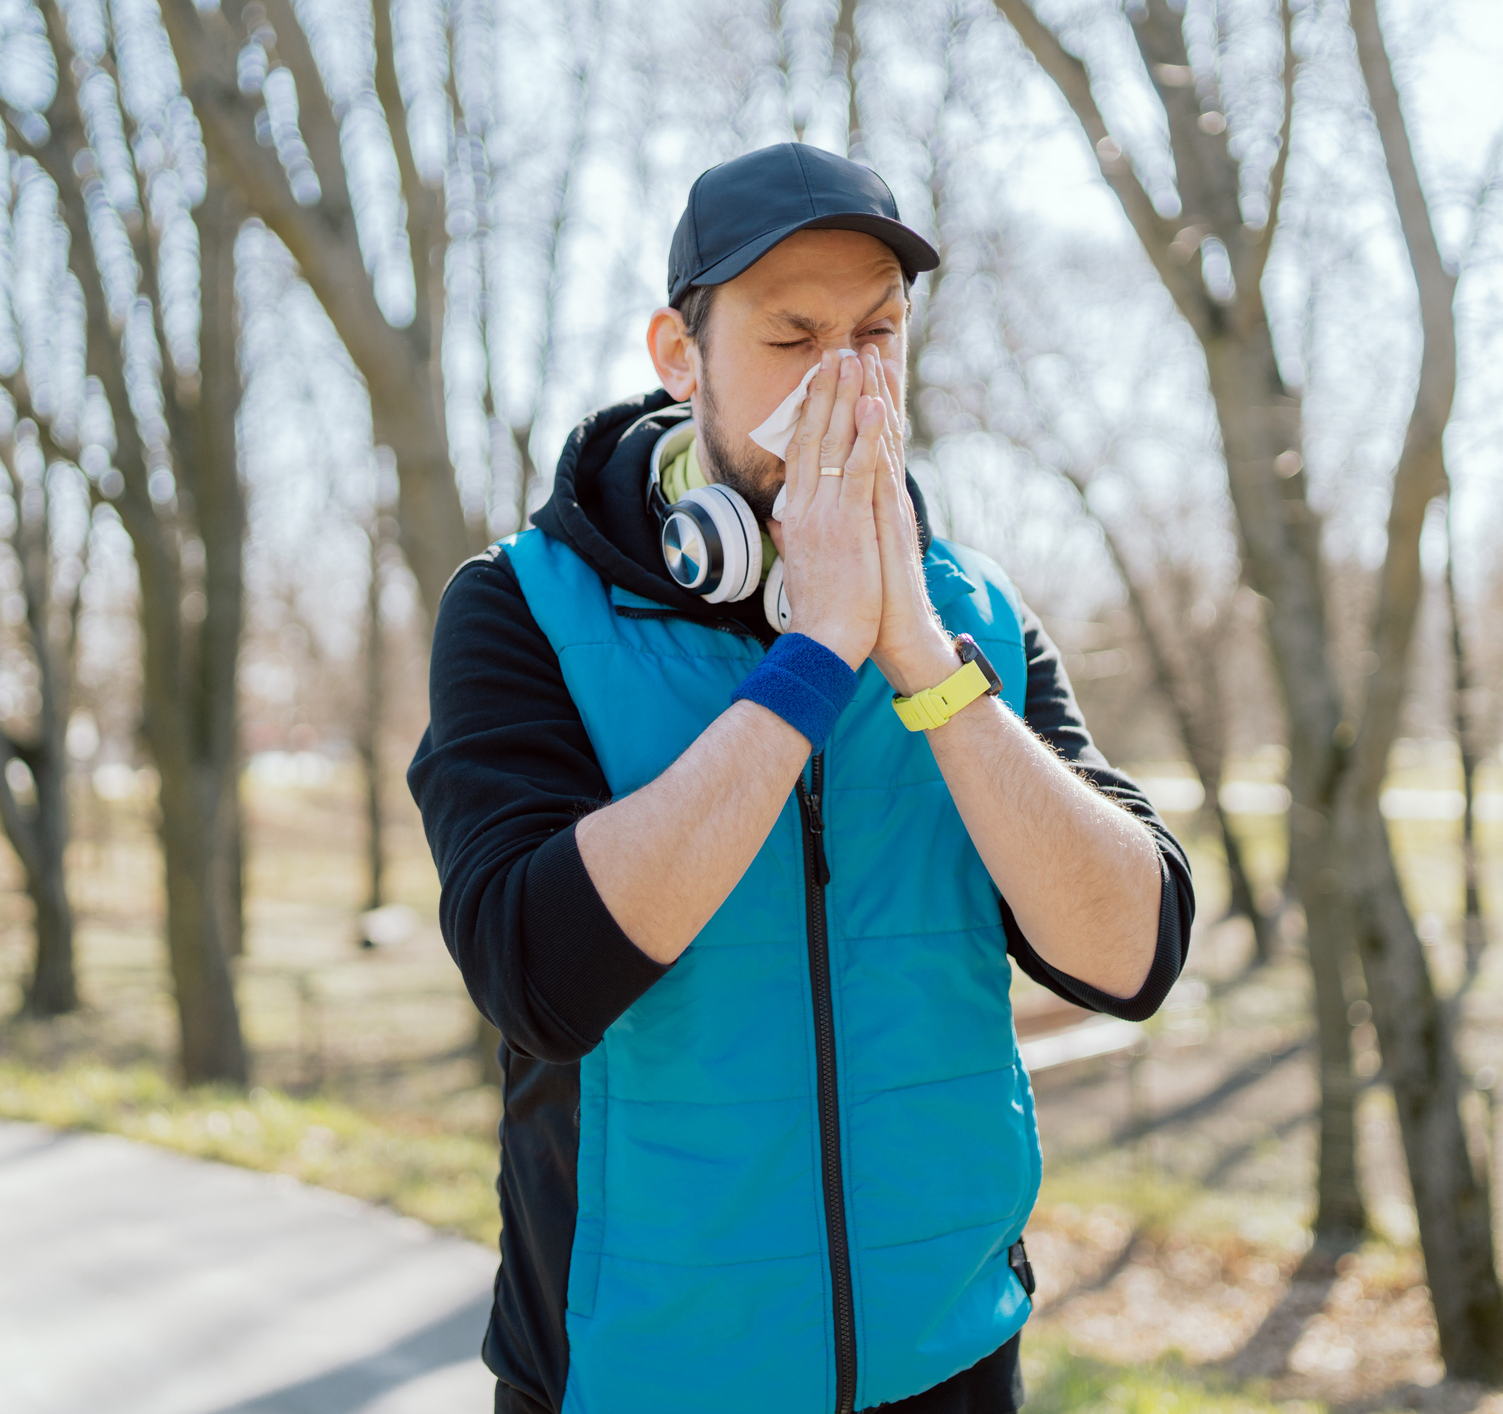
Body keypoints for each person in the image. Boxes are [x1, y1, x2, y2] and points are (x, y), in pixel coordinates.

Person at [410, 143, 1195, 1414]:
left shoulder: (976, 615)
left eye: (876, 334)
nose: (845, 381)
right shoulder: (520, 607)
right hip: (637, 1378)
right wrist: (816, 654)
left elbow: (1133, 954)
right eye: (793, 337)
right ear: (680, 354)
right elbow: (537, 977)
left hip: (949, 1364)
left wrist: (920, 657)